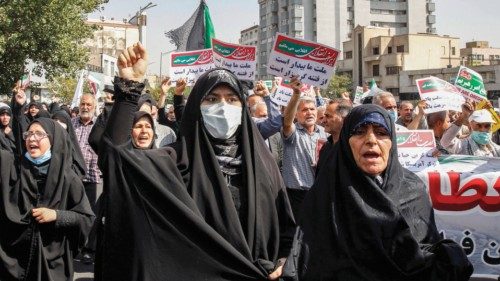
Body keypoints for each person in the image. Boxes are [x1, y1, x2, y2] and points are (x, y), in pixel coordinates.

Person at [96, 43, 295, 281]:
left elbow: (286, 229)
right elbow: (116, 157)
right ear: (196, 109)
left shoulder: (264, 164)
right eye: (211, 99)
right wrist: (129, 91)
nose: (222, 107)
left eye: (232, 99)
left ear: (243, 108)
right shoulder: (175, 161)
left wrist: (285, 259)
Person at [282, 104, 473, 281]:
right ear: (347, 142)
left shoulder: (413, 190)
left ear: (392, 143)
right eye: (359, 132)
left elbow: (423, 250)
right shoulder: (326, 192)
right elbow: (307, 252)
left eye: (381, 133)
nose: (371, 140)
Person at [0, 115, 94, 281]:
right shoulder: (12, 167)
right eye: (28, 134)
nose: (32, 138)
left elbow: (86, 219)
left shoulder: (68, 178)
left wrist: (57, 215)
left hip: (53, 265)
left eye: (39, 134)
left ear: (53, 140)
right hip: (14, 263)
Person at [281, 77, 327, 219]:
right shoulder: (292, 132)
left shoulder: (324, 133)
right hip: (296, 196)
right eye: (304, 110)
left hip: (319, 194)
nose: (309, 113)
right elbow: (286, 121)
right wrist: (296, 95)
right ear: (296, 114)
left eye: (312, 109)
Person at [71, 93, 101, 262]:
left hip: (94, 177)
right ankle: (75, 246)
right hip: (74, 177)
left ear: (94, 106)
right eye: (83, 104)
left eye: (89, 104)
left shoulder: (100, 124)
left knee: (91, 215)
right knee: (74, 213)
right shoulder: (71, 123)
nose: (85, 107)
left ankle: (89, 248)